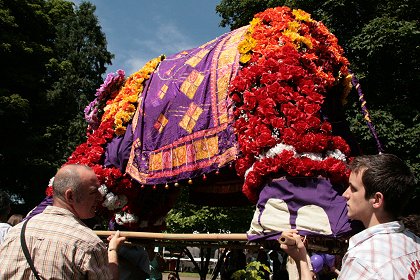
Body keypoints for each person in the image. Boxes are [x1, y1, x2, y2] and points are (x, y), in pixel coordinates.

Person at [280, 154, 419, 279]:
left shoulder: (363, 261)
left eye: (353, 188)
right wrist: (303, 260)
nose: (345, 194)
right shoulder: (414, 242)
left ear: (376, 200)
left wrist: (302, 261)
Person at [0, 164, 126, 279]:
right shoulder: (88, 243)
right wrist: (112, 250)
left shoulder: (14, 233)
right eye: (93, 192)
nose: (100, 197)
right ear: (70, 196)